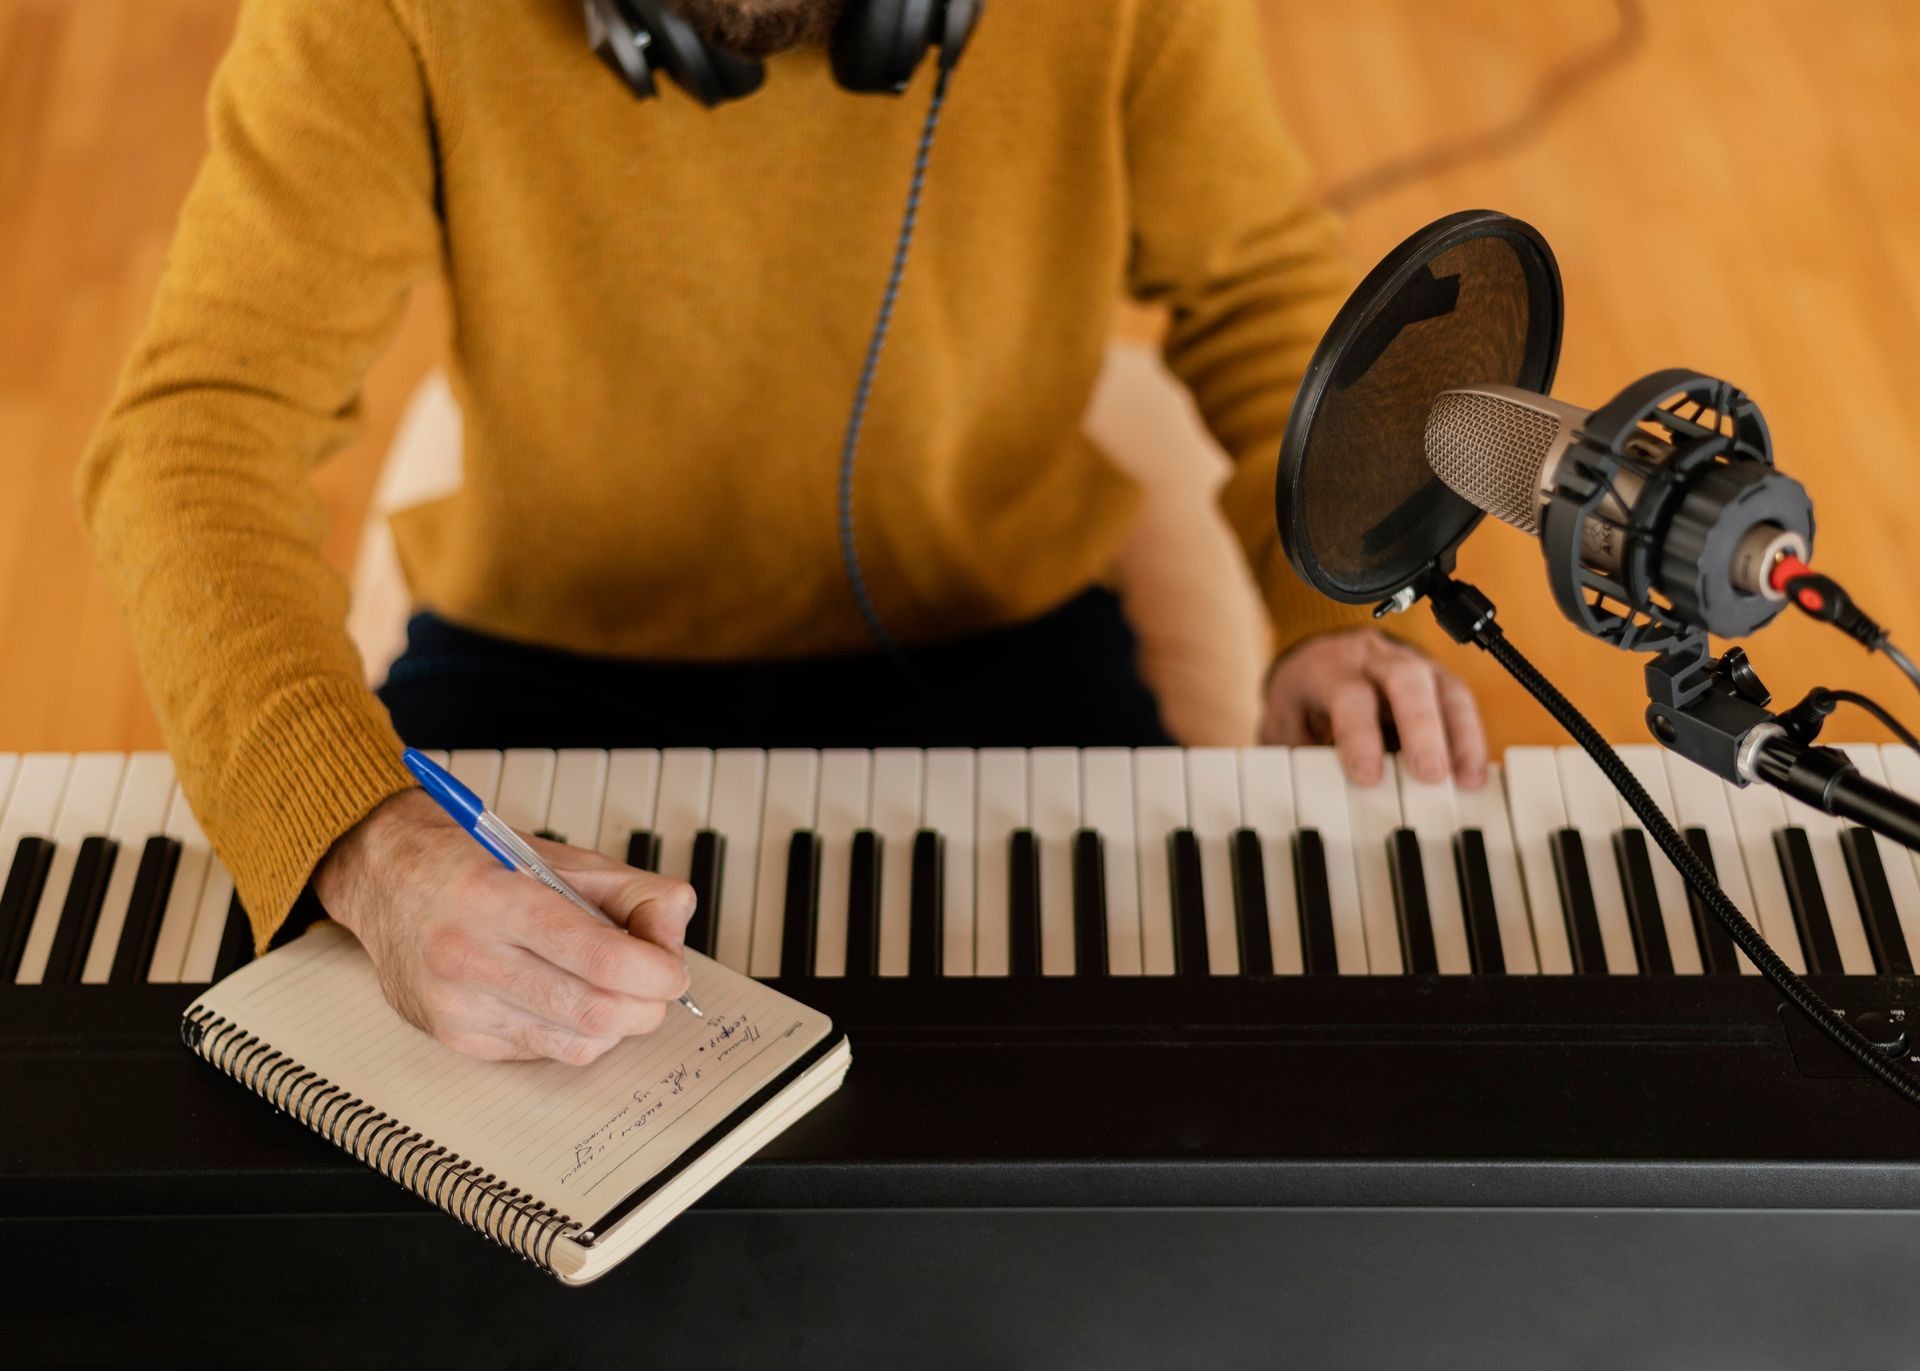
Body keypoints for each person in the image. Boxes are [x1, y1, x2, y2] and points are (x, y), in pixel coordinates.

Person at [79, 0, 1488, 1066]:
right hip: (540, 654)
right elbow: (202, 420)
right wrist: (362, 839)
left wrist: (1329, 612)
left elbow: (1262, 297)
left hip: (1002, 636)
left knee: (1144, 1139)